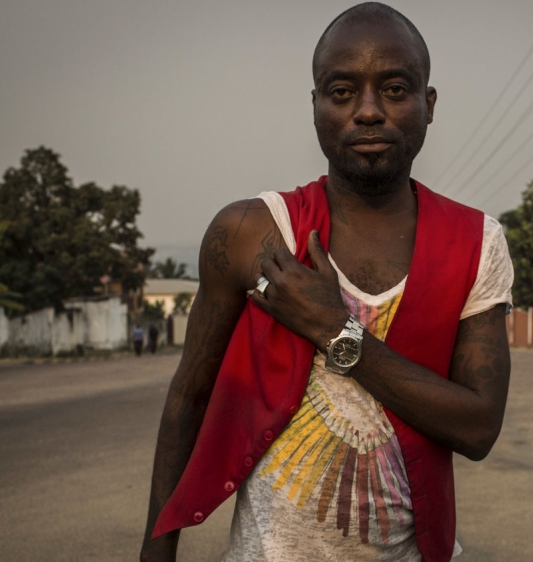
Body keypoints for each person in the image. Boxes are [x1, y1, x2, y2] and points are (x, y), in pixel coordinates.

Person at [139, 4, 513, 561]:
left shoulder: (477, 242)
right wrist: (156, 552)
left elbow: (479, 429)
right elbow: (188, 397)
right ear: (314, 105)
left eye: (394, 90)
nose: (368, 111)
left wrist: (337, 331)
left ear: (428, 104)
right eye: (342, 92)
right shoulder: (250, 232)